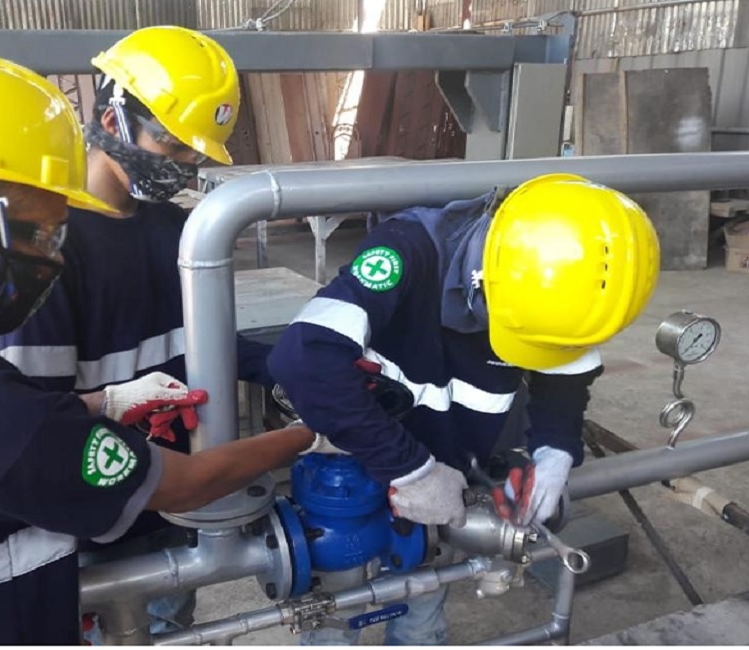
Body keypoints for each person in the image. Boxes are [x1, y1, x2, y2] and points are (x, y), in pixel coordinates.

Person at [0, 47, 315, 645]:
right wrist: (315, 429)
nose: (53, 258)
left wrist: (104, 403)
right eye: (44, 237)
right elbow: (184, 482)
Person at [268, 176, 661, 645]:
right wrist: (409, 469)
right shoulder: (407, 250)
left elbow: (565, 368)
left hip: (450, 482)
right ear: (491, 277)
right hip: (357, 465)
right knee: (336, 611)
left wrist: (555, 450)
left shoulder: (570, 293)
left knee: (423, 612)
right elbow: (304, 357)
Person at [0, 25, 272, 637]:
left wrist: (287, 368)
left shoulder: (177, 231)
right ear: (112, 117)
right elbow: (37, 416)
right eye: (170, 145)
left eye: (194, 154)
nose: (181, 167)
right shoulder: (52, 247)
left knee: (172, 624)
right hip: (97, 516)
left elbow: (204, 344)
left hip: (175, 497)